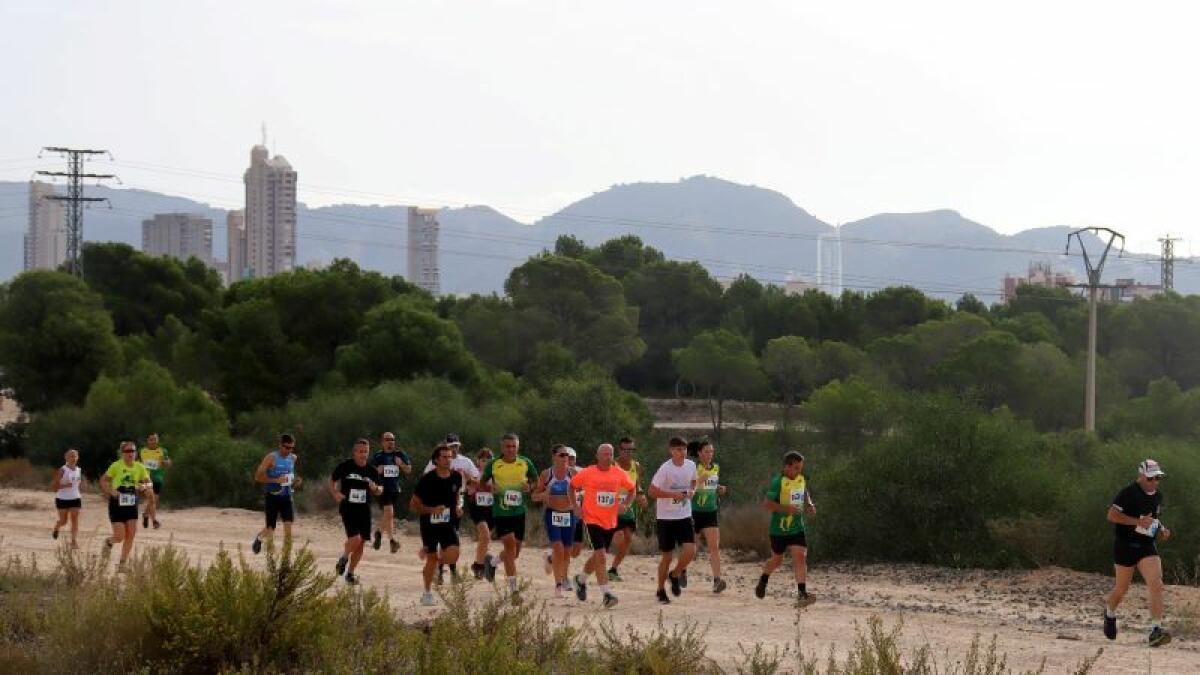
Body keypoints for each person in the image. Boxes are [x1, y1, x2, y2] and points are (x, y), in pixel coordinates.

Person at [1103, 459, 1173, 647]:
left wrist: (1162, 530)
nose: (1154, 482)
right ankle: (1109, 613)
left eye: (1158, 477)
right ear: (1141, 476)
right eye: (1151, 478)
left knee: (1156, 584)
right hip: (1125, 545)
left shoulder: (1158, 495)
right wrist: (1136, 522)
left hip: (1146, 546)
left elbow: (1153, 519)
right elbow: (1111, 515)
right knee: (1121, 588)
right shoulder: (1128, 493)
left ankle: (1156, 630)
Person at [571, 443, 635, 609]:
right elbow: (571, 486)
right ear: (597, 456)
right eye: (605, 454)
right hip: (592, 520)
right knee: (601, 556)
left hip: (611, 521)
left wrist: (626, 504)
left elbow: (632, 489)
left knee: (598, 556)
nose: (608, 457)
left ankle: (581, 580)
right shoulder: (588, 472)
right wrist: (576, 507)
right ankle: (606, 594)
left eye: (610, 454)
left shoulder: (618, 473)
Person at [755, 451, 816, 607]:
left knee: (800, 556)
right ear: (787, 467)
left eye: (800, 468)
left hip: (797, 527)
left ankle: (802, 594)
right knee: (777, 561)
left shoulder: (800, 479)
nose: (798, 471)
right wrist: (787, 509)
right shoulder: (778, 482)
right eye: (796, 468)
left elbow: (804, 491)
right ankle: (764, 578)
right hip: (778, 530)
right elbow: (767, 504)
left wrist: (809, 504)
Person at [480, 432, 537, 597]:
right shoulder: (494, 464)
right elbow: (482, 483)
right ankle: (514, 591)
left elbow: (536, 480)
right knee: (510, 548)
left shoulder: (525, 462)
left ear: (518, 447)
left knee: (515, 553)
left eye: (513, 446)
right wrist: (490, 488)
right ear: (502, 447)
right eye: (507, 446)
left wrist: (530, 487)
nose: (510, 449)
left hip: (519, 512)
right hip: (501, 512)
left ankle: (492, 562)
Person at [423, 434, 480, 584]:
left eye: (456, 446)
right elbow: (425, 479)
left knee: (452, 539)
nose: (454, 449)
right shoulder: (436, 461)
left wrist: (468, 478)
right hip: (438, 504)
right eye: (451, 446)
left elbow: (477, 481)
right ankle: (443, 571)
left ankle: (447, 571)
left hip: (456, 501)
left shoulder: (465, 462)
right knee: (442, 539)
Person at [411, 443, 464, 606]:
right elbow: (413, 505)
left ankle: (435, 562)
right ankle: (427, 593)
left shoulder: (456, 476)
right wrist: (432, 509)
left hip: (447, 523)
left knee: (454, 553)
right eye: (444, 457)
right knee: (432, 559)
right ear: (436, 460)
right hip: (429, 524)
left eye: (450, 457)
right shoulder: (428, 479)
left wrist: (458, 506)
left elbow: (458, 495)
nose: (448, 460)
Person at [648, 436, 698, 604]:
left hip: (684, 514)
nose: (682, 452)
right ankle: (660, 590)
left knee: (691, 550)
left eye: (684, 449)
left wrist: (692, 491)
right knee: (667, 557)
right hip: (665, 517)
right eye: (678, 449)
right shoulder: (665, 469)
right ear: (671, 451)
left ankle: (675, 574)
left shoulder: (691, 465)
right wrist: (672, 494)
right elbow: (652, 492)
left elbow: (694, 481)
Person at [329, 439, 384, 584]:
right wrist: (335, 493)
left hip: (364, 509)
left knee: (361, 544)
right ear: (354, 452)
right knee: (355, 539)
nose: (363, 454)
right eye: (360, 451)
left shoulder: (371, 470)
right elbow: (332, 480)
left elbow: (380, 490)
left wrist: (375, 489)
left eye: (366, 451)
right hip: (348, 507)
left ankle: (350, 574)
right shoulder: (345, 466)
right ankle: (344, 557)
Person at [532, 444, 579, 598]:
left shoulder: (574, 474)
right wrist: (544, 495)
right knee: (558, 548)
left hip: (569, 515)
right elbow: (534, 496)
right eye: (562, 455)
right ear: (553, 457)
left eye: (568, 456)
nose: (566, 458)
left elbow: (583, 491)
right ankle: (558, 585)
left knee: (567, 551)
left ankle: (563, 575)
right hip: (552, 514)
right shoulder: (547, 475)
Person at [99, 441, 152, 569]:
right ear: (122, 453)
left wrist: (144, 486)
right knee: (119, 536)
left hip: (132, 501)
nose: (130, 453)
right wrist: (111, 491)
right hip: (117, 502)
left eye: (133, 451)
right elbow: (103, 480)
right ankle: (108, 542)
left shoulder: (140, 467)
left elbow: (149, 483)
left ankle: (122, 564)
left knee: (131, 534)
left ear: (136, 453)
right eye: (127, 451)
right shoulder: (116, 466)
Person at [252, 433, 302, 554]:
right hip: (272, 497)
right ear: (280, 445)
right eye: (286, 447)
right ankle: (259, 538)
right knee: (270, 529)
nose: (289, 450)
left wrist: (296, 482)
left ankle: (286, 561)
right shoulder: (271, 458)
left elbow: (289, 478)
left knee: (288, 530)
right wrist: (275, 480)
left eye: (291, 448)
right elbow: (258, 477)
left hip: (286, 497)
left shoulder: (293, 458)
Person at [690, 439, 728, 593]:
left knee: (714, 548)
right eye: (706, 451)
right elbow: (688, 488)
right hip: (693, 511)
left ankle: (717, 580)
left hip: (710, 511)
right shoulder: (692, 467)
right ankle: (680, 573)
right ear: (699, 453)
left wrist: (719, 488)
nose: (709, 454)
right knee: (691, 549)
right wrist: (699, 480)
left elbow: (711, 485)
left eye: (711, 451)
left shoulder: (716, 467)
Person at [608, 436, 646, 581]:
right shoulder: (612, 464)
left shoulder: (636, 466)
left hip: (628, 508)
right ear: (620, 450)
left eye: (632, 450)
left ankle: (613, 569)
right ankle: (600, 554)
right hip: (612, 508)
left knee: (628, 540)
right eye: (626, 449)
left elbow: (637, 484)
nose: (629, 452)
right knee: (618, 539)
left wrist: (641, 494)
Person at [372, 431, 412, 554]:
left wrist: (401, 464)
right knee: (389, 512)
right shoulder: (378, 456)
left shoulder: (400, 454)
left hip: (395, 488)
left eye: (392, 439)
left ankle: (379, 532)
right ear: (382, 442)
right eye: (388, 439)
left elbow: (409, 470)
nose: (391, 442)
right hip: (382, 489)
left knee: (388, 515)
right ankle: (392, 540)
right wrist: (378, 471)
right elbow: (371, 472)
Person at [466, 447, 499, 581]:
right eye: (483, 460)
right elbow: (469, 487)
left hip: (491, 509)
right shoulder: (474, 473)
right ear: (478, 461)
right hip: (477, 508)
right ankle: (481, 565)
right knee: (485, 536)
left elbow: (500, 490)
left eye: (489, 460)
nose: (486, 462)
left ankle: (478, 565)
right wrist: (483, 486)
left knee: (484, 540)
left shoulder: (496, 475)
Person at [138, 432, 171, 529]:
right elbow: (136, 463)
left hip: (158, 478)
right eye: (151, 439)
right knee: (151, 499)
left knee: (154, 500)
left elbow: (168, 463)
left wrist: (166, 462)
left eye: (155, 439)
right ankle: (154, 521)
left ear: (158, 440)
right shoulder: (142, 451)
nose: (153, 441)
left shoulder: (163, 451)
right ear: (147, 441)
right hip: (146, 479)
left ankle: (145, 514)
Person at [51, 448, 83, 548]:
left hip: (75, 498)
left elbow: (77, 484)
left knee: (75, 519)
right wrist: (65, 486)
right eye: (71, 456)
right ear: (66, 457)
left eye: (75, 456)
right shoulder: (62, 470)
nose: (73, 458)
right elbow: (54, 487)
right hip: (62, 499)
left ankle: (74, 541)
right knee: (63, 521)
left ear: (77, 458)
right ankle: (57, 526)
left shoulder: (78, 470)